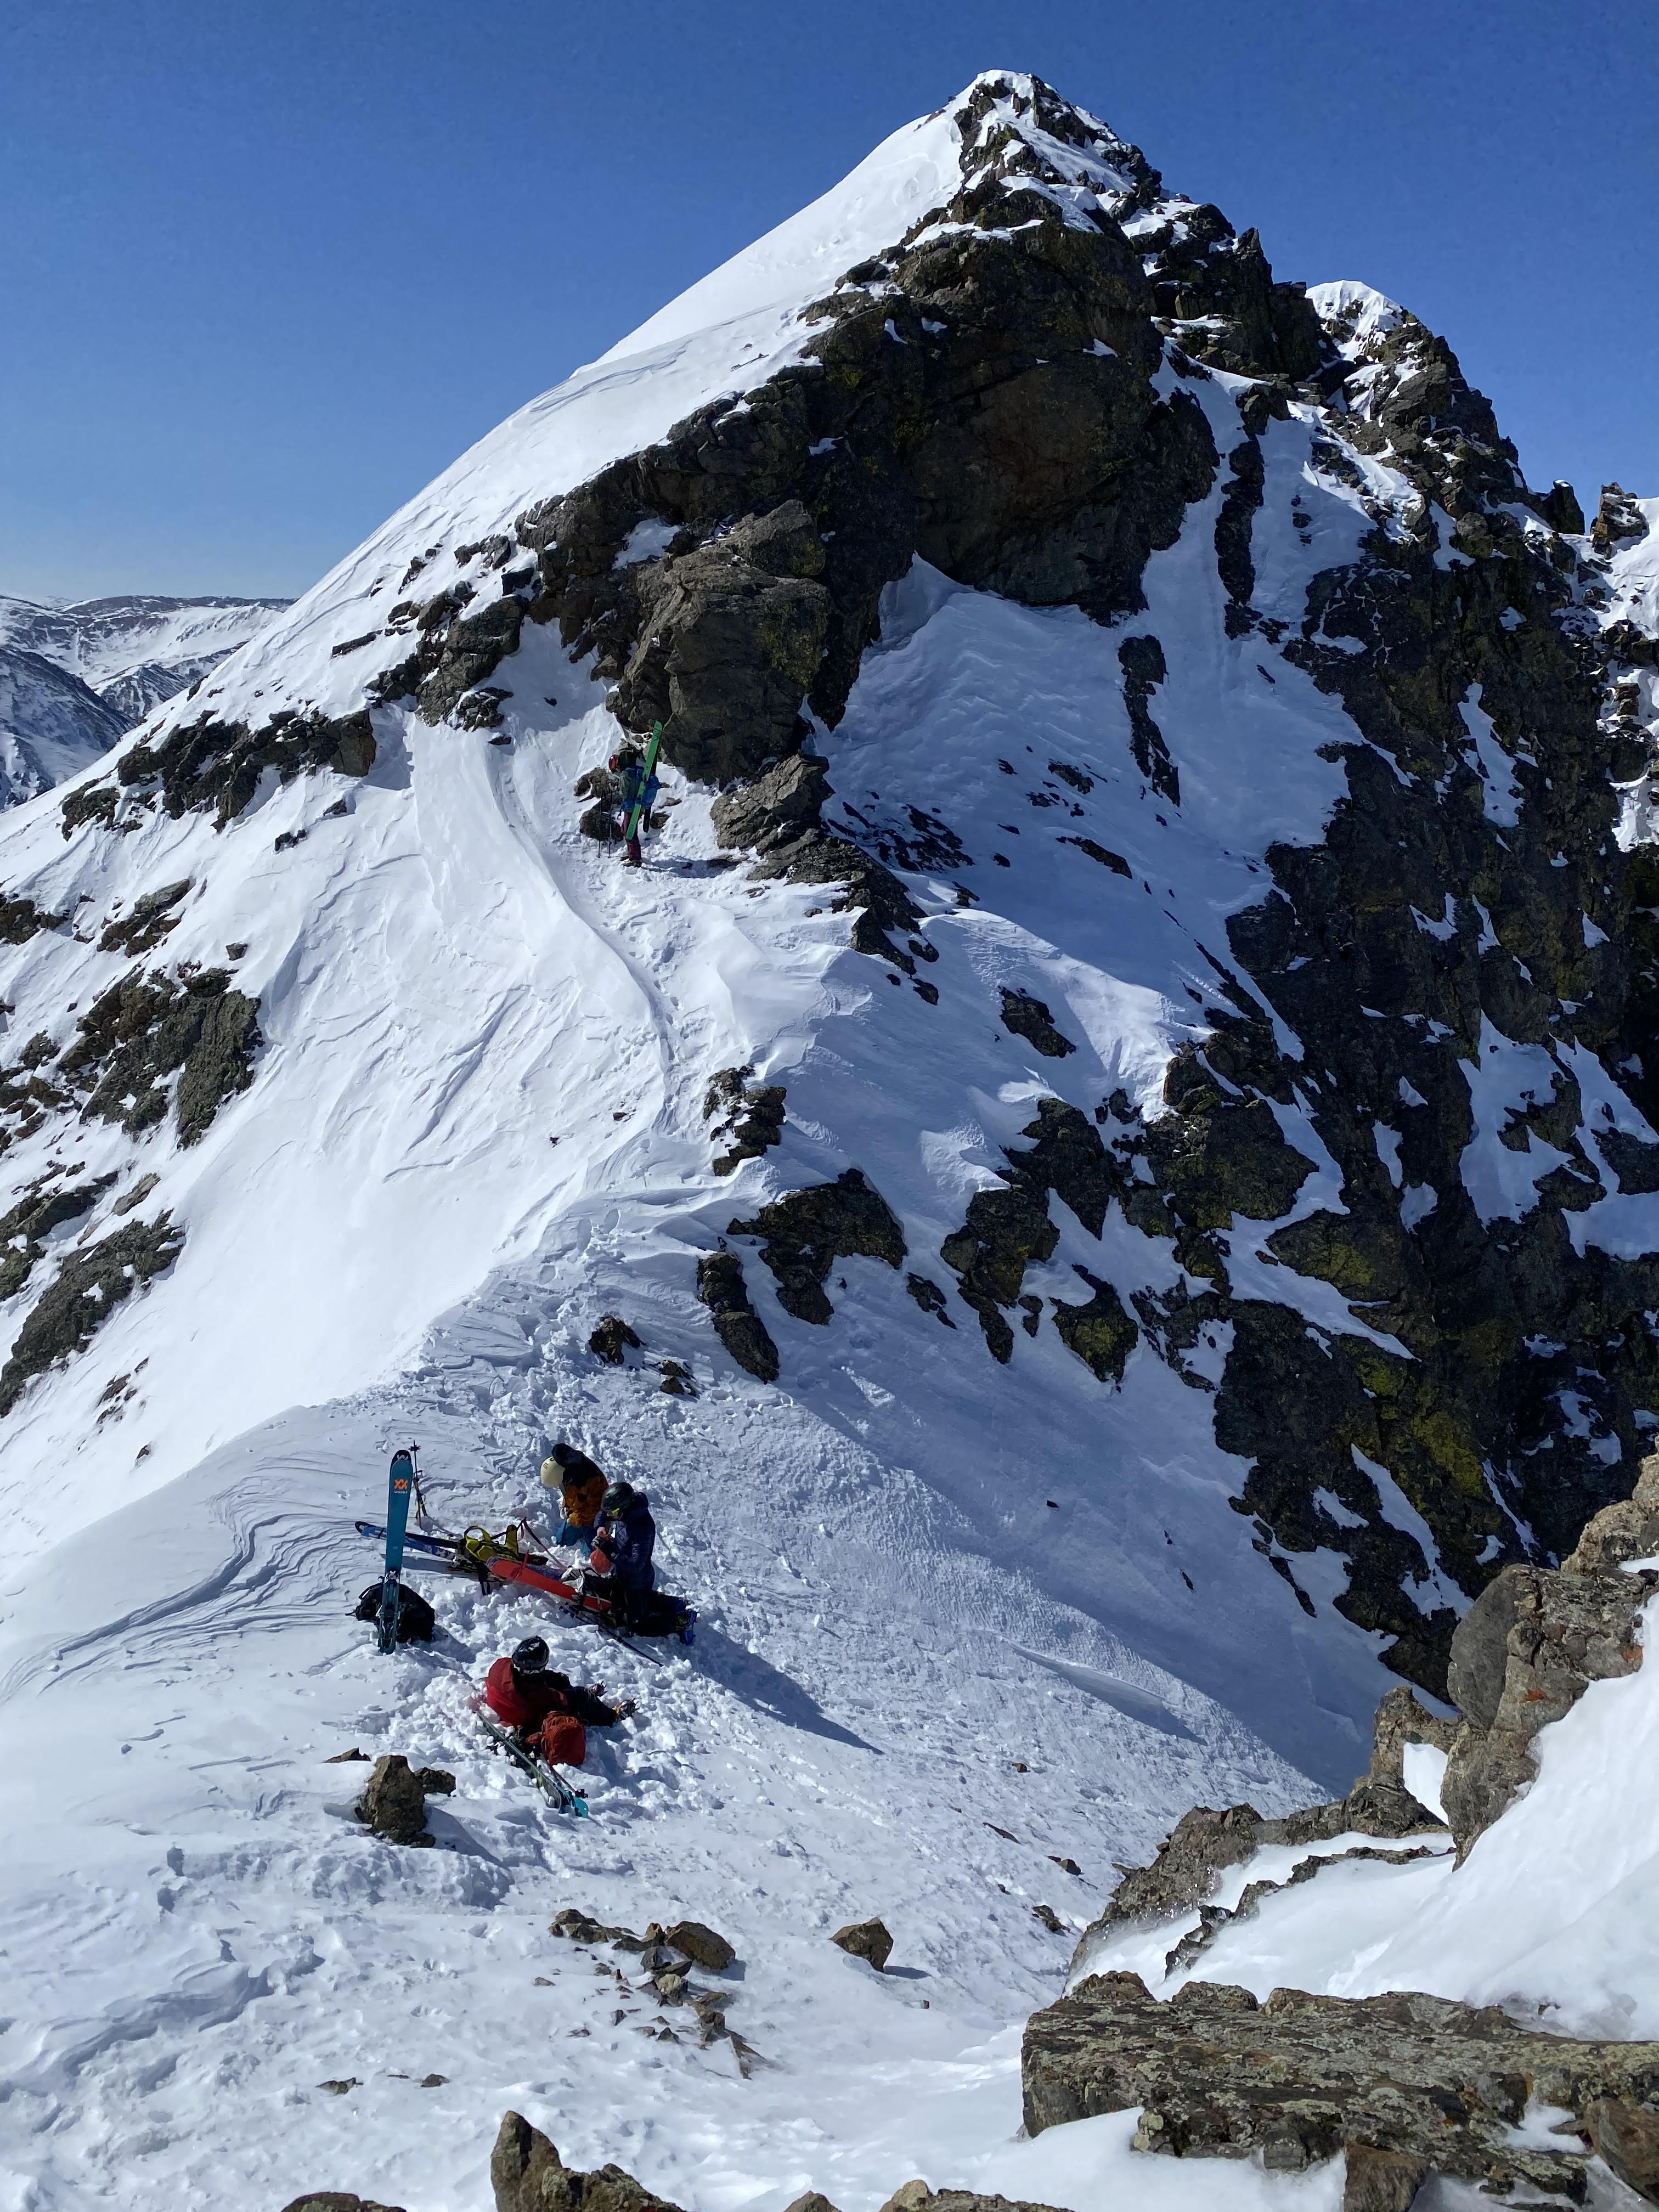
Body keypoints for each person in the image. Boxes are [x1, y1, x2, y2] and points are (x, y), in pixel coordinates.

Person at [483, 1635, 634, 1768]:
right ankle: (611, 1716)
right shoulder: (538, 1696)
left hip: (510, 1700)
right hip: (527, 1712)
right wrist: (575, 1696)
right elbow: (559, 1701)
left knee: (557, 1679)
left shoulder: (501, 1666)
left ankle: (588, 1698)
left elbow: (538, 1681)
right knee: (580, 1697)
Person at [585, 1481, 657, 1627]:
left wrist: (610, 1551)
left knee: (637, 1624)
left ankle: (677, 1617)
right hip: (621, 1572)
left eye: (613, 1512)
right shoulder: (623, 1513)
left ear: (623, 1508)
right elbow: (604, 1513)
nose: (610, 1515)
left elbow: (636, 1565)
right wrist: (600, 1526)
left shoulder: (642, 1529)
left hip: (637, 1582)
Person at [540, 1440, 608, 1553]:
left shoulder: (593, 1479)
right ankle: (580, 1533)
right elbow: (568, 1493)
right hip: (577, 1514)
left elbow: (596, 1509)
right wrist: (566, 1507)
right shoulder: (564, 1470)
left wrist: (576, 1518)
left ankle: (587, 1539)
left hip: (593, 1520)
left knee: (592, 1554)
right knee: (560, 1540)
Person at [608, 745, 660, 870]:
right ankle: (632, 854)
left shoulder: (626, 775)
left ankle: (635, 858)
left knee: (629, 832)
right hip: (638, 806)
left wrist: (616, 789)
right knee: (626, 829)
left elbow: (626, 793)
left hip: (631, 807)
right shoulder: (636, 771)